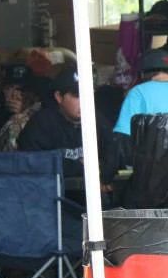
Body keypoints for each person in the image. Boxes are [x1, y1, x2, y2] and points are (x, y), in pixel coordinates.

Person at [18, 67, 118, 202]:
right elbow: (33, 162)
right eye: (77, 95)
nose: (84, 100)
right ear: (59, 97)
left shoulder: (97, 120)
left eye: (88, 93)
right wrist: (79, 167)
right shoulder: (41, 123)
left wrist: (105, 173)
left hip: (89, 202)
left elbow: (113, 151)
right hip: (52, 201)